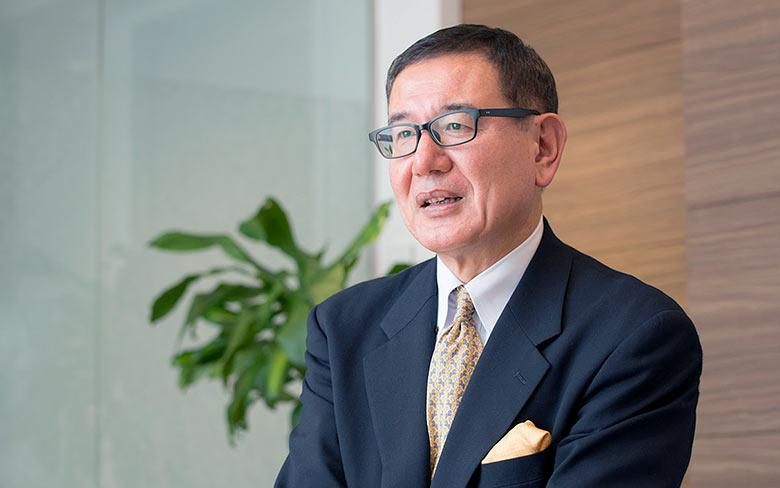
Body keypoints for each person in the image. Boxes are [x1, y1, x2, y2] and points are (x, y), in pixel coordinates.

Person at [276, 24, 701, 487]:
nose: (424, 162)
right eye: (403, 134)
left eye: (456, 126)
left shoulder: (634, 336)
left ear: (543, 148)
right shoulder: (343, 329)